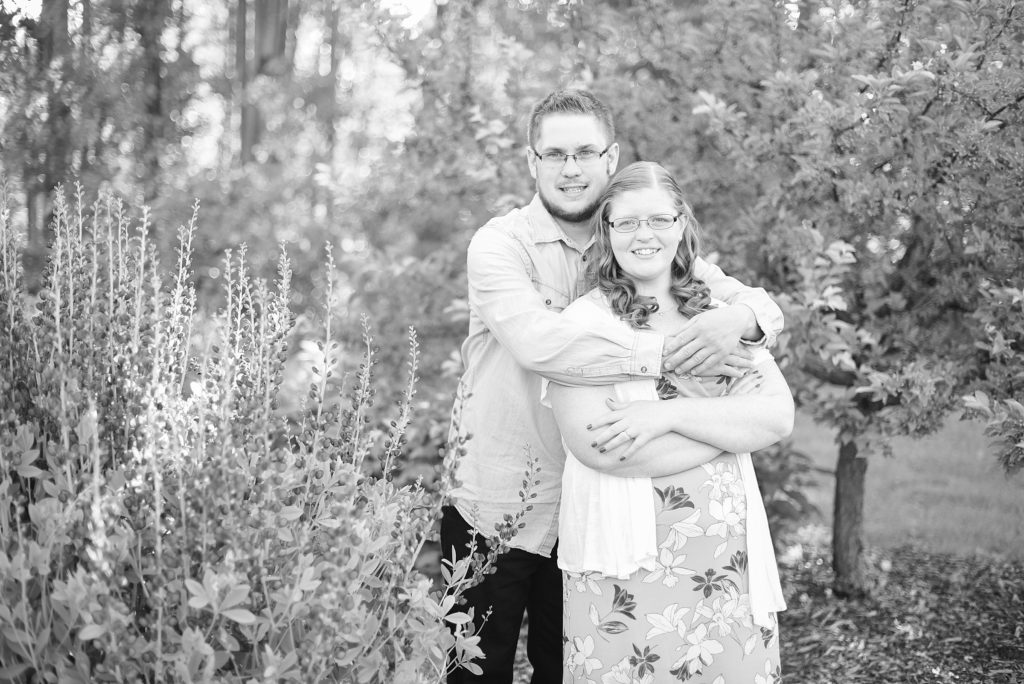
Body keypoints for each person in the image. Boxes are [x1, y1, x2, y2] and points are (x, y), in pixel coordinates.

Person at [441, 89, 785, 683]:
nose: (570, 169)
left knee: (564, 669)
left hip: (590, 506)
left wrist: (744, 318)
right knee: (475, 673)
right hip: (497, 500)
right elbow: (541, 345)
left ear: (611, 157)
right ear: (532, 161)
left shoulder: (636, 237)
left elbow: (748, 302)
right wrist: (666, 361)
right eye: (554, 154)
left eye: (585, 152)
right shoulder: (501, 245)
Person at [545, 161, 793, 682]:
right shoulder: (584, 325)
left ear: (681, 225)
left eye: (659, 219)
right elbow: (604, 449)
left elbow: (776, 416)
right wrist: (731, 429)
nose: (645, 235)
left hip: (728, 561)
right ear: (606, 230)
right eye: (628, 222)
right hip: (624, 568)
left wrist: (666, 415)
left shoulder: (718, 315)